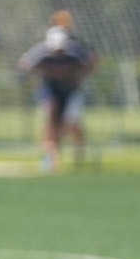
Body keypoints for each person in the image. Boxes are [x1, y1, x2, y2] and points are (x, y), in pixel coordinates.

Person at [17, 10, 98, 172]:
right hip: (50, 89)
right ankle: (50, 158)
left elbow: (92, 61)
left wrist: (80, 77)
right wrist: (41, 72)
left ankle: (79, 153)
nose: (58, 53)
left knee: (70, 122)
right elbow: (24, 64)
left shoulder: (75, 50)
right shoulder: (41, 51)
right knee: (50, 119)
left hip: (71, 90)